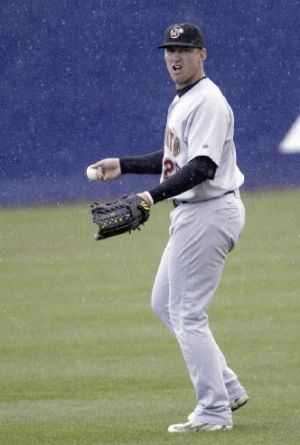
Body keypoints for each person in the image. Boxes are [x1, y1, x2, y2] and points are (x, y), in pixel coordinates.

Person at [90, 23, 248, 433]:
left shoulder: (209, 101)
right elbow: (175, 157)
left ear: (202, 54)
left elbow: (202, 167)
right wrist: (123, 165)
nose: (175, 57)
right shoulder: (185, 99)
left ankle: (214, 412)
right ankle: (226, 387)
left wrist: (149, 197)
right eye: (169, 50)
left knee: (187, 312)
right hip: (196, 212)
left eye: (184, 49)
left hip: (210, 211)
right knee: (166, 304)